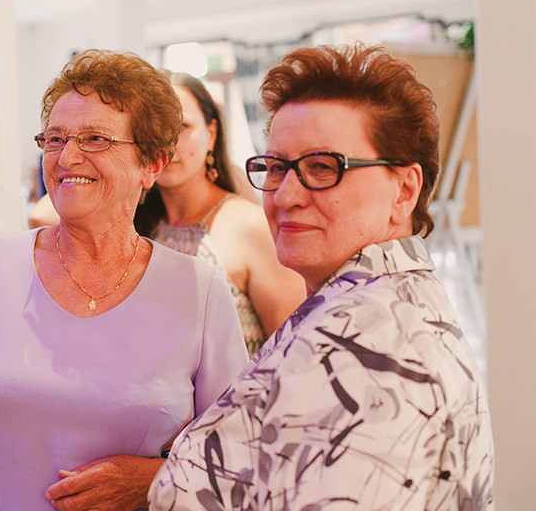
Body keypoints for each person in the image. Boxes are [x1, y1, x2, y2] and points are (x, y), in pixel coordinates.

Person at [149, 43, 495, 510]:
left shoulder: (372, 352)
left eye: (323, 167)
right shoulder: (360, 307)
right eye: (277, 167)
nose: (285, 195)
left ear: (404, 190)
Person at [0, 49, 250, 510]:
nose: (67, 157)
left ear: (152, 164)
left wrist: (155, 479)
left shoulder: (199, 291)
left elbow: (237, 460)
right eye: (55, 138)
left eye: (95, 139)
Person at [137, 72, 305, 356]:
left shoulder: (248, 227)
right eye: (150, 130)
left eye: (181, 127)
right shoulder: (137, 227)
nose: (165, 143)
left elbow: (292, 354)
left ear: (211, 133)